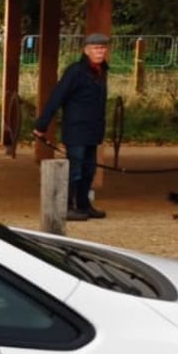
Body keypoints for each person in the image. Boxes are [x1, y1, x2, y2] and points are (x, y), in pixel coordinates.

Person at [34, 32, 111, 220]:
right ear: (86, 50)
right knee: (74, 170)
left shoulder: (101, 72)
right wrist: (42, 124)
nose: (100, 52)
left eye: (102, 48)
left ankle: (83, 204)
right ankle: (67, 206)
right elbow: (57, 97)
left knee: (89, 170)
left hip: (93, 129)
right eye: (96, 48)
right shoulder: (76, 71)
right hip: (76, 129)